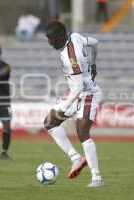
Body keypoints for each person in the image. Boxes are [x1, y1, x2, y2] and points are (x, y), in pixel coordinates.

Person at [44, 21, 104, 187]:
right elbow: (95, 42)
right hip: (75, 92)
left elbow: (78, 87)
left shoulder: (71, 56)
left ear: (61, 36)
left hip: (87, 93)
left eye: (51, 39)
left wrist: (63, 108)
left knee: (82, 131)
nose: (49, 42)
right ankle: (76, 158)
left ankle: (97, 178)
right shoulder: (75, 37)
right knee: (50, 122)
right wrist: (93, 63)